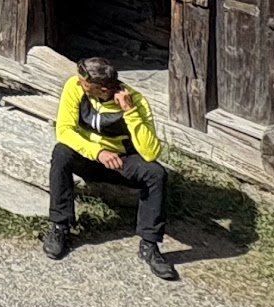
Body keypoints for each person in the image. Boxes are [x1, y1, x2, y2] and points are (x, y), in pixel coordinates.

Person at [43, 56, 178, 280]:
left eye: (85, 83)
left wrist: (130, 111)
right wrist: (97, 152)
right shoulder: (73, 87)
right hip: (90, 156)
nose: (78, 83)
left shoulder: (136, 101)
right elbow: (64, 131)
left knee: (156, 173)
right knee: (61, 152)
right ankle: (60, 227)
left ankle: (150, 245)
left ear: (103, 89)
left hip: (121, 163)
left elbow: (151, 152)